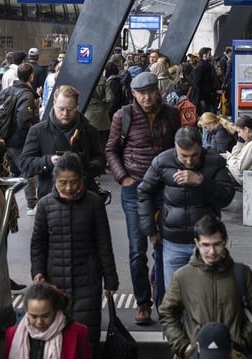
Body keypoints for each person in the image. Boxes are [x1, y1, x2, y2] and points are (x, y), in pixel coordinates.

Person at [104, 71, 180, 324]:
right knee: (137, 249)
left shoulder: (171, 113)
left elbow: (179, 148)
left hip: (164, 188)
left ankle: (163, 300)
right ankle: (143, 302)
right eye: (141, 93)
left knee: (163, 246)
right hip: (134, 188)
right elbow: (111, 149)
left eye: (150, 91)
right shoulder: (122, 116)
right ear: (134, 94)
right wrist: (123, 178)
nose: (146, 97)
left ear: (157, 91)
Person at [30, 152, 119, 350]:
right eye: (63, 183)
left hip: (87, 278)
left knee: (87, 335)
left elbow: (103, 242)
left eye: (74, 182)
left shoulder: (94, 202)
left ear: (82, 180)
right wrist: (37, 271)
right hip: (55, 280)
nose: (69, 188)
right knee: (57, 336)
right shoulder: (45, 205)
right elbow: (38, 243)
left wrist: (110, 278)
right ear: (55, 180)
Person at [138, 127, 236, 290]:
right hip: (173, 240)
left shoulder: (214, 161)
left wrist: (201, 181)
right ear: (176, 148)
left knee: (207, 295)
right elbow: (144, 193)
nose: (189, 162)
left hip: (207, 242)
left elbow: (226, 196)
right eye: (184, 156)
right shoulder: (162, 161)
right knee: (175, 295)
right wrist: (150, 230)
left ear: (201, 148)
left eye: (194, 156)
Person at [160, 215, 252, 359]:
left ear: (225, 241)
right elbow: (167, 313)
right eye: (206, 245)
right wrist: (183, 346)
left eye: (217, 244)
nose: (212, 251)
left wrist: (243, 341)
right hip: (198, 354)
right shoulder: (182, 277)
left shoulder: (241, 273)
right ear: (197, 243)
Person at [21, 85, 106, 200]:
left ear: (77, 107)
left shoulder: (89, 130)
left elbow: (100, 158)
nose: (65, 114)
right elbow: (25, 163)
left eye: (70, 109)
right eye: (61, 109)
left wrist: (87, 166)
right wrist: (49, 161)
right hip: (50, 197)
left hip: (84, 196)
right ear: (54, 104)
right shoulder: (38, 131)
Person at [4, 283, 92, 359]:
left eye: (45, 316)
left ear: (55, 310)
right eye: (33, 316)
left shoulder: (78, 333)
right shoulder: (12, 334)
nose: (39, 322)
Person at [4, 63, 40, 216]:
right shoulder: (27, 95)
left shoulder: (7, 91)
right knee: (28, 170)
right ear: (31, 76)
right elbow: (24, 120)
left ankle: (4, 201)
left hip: (5, 136)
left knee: (9, 172)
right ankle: (32, 205)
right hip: (19, 140)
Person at [222, 116, 252, 185]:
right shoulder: (250, 142)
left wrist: (229, 157)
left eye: (239, 132)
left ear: (246, 129)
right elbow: (236, 156)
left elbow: (239, 167)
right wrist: (240, 143)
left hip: (239, 177)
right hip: (237, 174)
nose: (239, 135)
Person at [192, 47, 216, 114]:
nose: (211, 56)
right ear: (204, 55)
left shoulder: (206, 65)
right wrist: (201, 98)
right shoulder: (201, 66)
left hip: (206, 96)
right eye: (209, 54)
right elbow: (196, 83)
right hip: (203, 97)